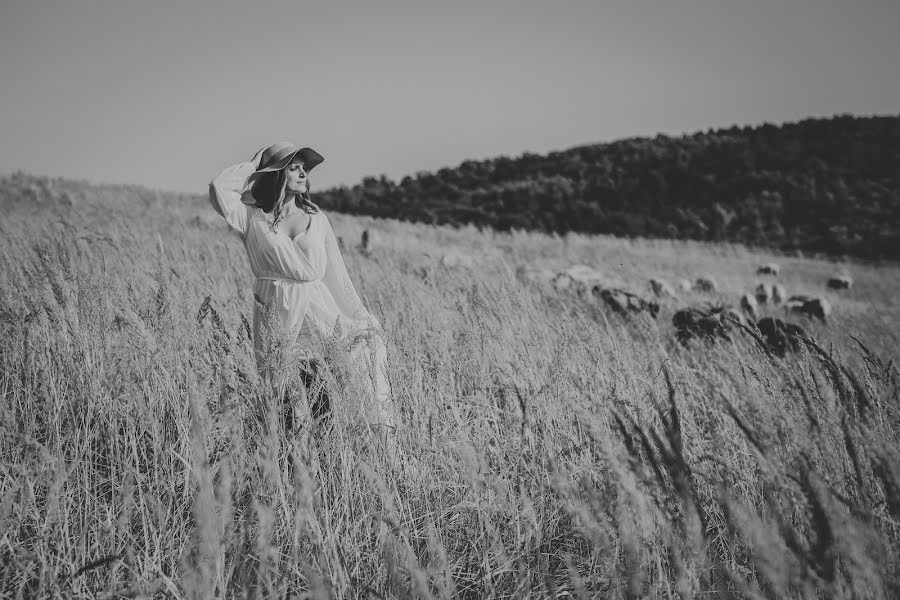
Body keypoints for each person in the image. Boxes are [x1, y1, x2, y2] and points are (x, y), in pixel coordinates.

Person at [207, 141, 394, 433]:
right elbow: (219, 189)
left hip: (318, 312)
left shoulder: (317, 219)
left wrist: (358, 316)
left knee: (323, 397)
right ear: (276, 175)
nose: (303, 174)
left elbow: (336, 274)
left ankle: (324, 464)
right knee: (285, 402)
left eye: (304, 168)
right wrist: (256, 165)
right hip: (276, 310)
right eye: (293, 168)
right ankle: (288, 465)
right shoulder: (252, 218)